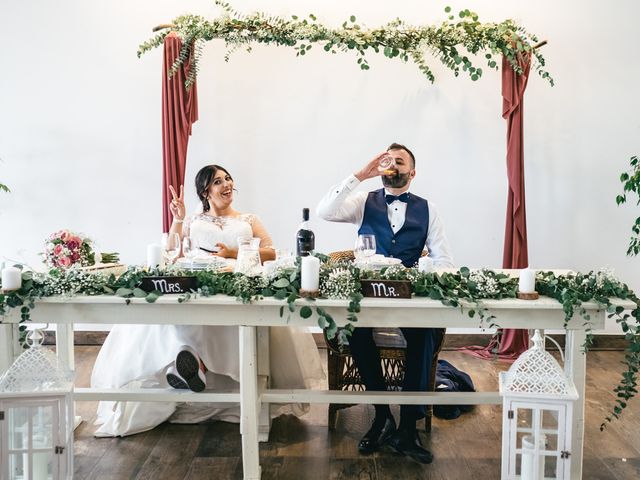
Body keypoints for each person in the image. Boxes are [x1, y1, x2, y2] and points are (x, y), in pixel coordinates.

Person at [91, 164, 325, 437]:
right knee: (178, 318)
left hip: (236, 284)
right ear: (205, 191)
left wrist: (233, 253)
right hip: (197, 284)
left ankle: (203, 370)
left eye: (227, 179)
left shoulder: (249, 219)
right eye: (217, 181)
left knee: (226, 321)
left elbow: (271, 252)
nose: (226, 184)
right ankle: (189, 364)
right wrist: (178, 219)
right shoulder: (193, 220)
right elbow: (172, 254)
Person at [316, 143, 454, 464]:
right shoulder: (364, 201)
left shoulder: (428, 209)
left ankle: (407, 428)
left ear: (412, 172)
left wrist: (424, 272)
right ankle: (381, 416)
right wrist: (361, 175)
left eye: (399, 161)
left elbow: (444, 260)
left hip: (408, 297)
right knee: (356, 330)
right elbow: (325, 210)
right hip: (367, 297)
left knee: (423, 332)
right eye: (387, 160)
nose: (392, 165)